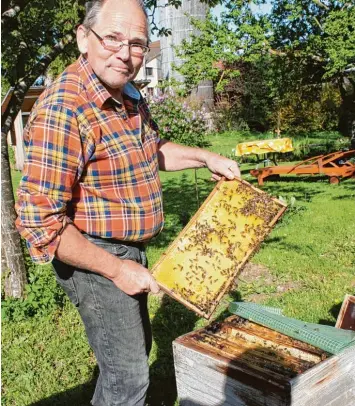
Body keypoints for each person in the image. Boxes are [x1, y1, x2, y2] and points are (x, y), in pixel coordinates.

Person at [15, 0, 241, 404]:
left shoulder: (125, 93)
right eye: (113, 39)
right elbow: (40, 224)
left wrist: (206, 157)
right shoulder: (63, 110)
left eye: (137, 43)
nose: (126, 53)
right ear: (84, 38)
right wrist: (118, 269)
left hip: (128, 250)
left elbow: (151, 150)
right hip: (95, 256)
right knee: (129, 378)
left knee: (134, 358)